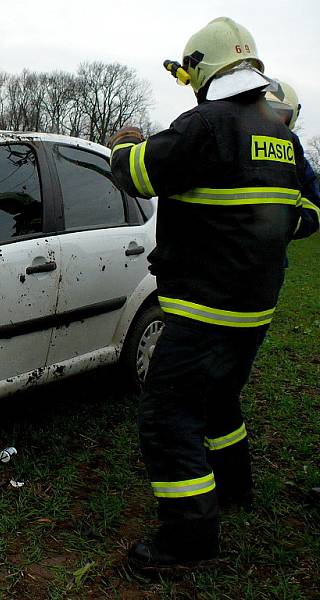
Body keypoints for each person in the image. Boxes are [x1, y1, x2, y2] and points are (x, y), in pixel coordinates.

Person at [107, 17, 316, 568]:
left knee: (167, 415)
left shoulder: (206, 124)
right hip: (254, 309)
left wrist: (125, 144)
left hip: (203, 308)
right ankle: (234, 488)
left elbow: (138, 175)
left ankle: (188, 539)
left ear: (201, 68)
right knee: (219, 401)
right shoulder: (283, 138)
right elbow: (297, 215)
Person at [265, 80, 320, 239]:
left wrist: (290, 224)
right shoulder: (232, 141)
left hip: (273, 257)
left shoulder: (295, 154)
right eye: (265, 112)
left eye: (279, 113)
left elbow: (313, 204)